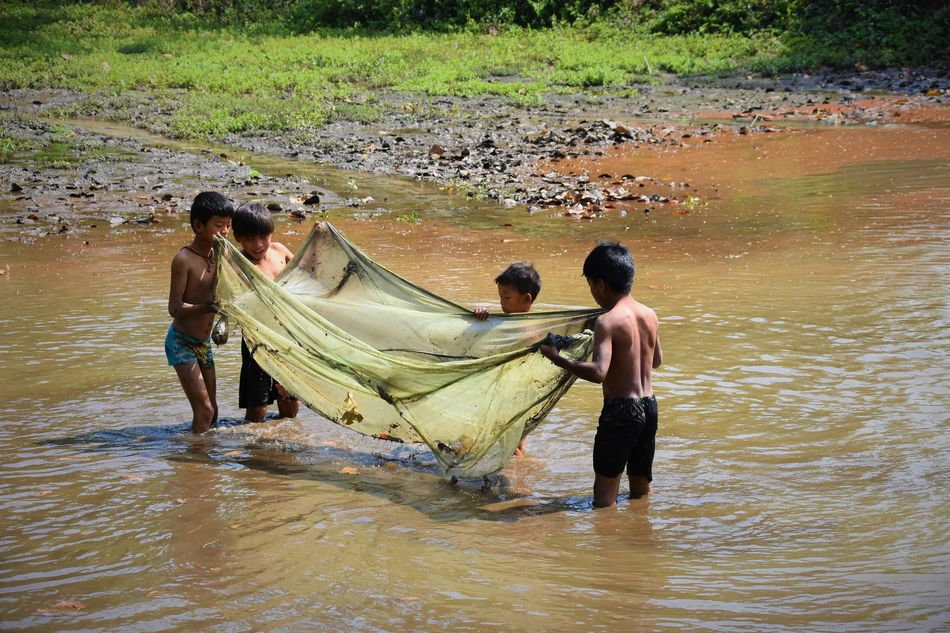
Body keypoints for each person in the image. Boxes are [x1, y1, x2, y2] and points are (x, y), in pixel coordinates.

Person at [539, 242, 661, 508]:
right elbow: (657, 361)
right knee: (641, 489)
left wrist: (557, 358)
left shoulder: (608, 320)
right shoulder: (650, 315)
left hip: (622, 410)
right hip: (650, 406)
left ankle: (607, 541)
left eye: (591, 286)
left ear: (600, 284)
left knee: (604, 499)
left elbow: (598, 373)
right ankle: (639, 533)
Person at [166, 191, 234, 433]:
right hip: (181, 342)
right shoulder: (183, 260)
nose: (225, 231)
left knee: (213, 411)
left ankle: (204, 458)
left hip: (204, 342)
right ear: (198, 226)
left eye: (228, 225)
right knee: (204, 410)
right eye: (219, 225)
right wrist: (207, 307)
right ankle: (196, 462)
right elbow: (174, 308)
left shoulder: (223, 253)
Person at [231, 202, 300, 422]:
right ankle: (257, 447)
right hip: (256, 341)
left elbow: (306, 270)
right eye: (250, 238)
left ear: (271, 233)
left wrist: (319, 239)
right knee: (257, 407)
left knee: (290, 402)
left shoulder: (279, 251)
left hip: (288, 337)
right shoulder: (236, 263)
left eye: (263, 237)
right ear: (238, 238)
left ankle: (286, 439)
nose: (258, 244)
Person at [475, 262, 542, 456]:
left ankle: (522, 472)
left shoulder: (528, 329)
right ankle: (522, 468)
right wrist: (481, 316)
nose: (502, 303)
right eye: (500, 297)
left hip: (517, 391)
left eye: (507, 297)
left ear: (526, 299)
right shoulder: (511, 322)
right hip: (517, 390)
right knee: (516, 440)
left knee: (509, 443)